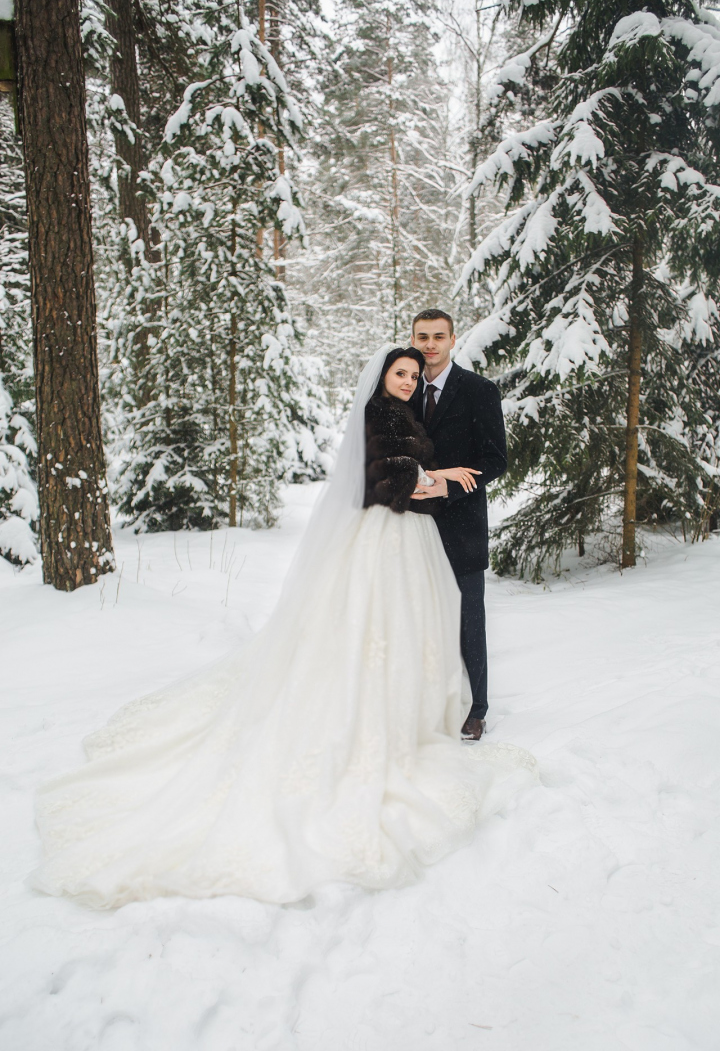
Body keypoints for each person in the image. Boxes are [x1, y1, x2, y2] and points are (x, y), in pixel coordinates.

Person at [29, 345, 534, 909]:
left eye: (414, 375)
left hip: (409, 541)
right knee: (368, 629)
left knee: (400, 631)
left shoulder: (407, 414)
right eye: (401, 372)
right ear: (384, 376)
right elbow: (387, 483)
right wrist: (436, 479)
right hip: (385, 538)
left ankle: (404, 708)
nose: (409, 380)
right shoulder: (380, 414)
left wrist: (433, 478)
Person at [409, 309, 507, 741]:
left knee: (468, 618)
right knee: (418, 618)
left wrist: (446, 488)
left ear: (453, 339)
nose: (430, 345)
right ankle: (425, 701)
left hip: (462, 525)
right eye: (422, 336)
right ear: (412, 338)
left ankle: (476, 709)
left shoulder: (479, 391)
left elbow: (494, 461)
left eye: (438, 337)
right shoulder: (401, 387)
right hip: (409, 526)